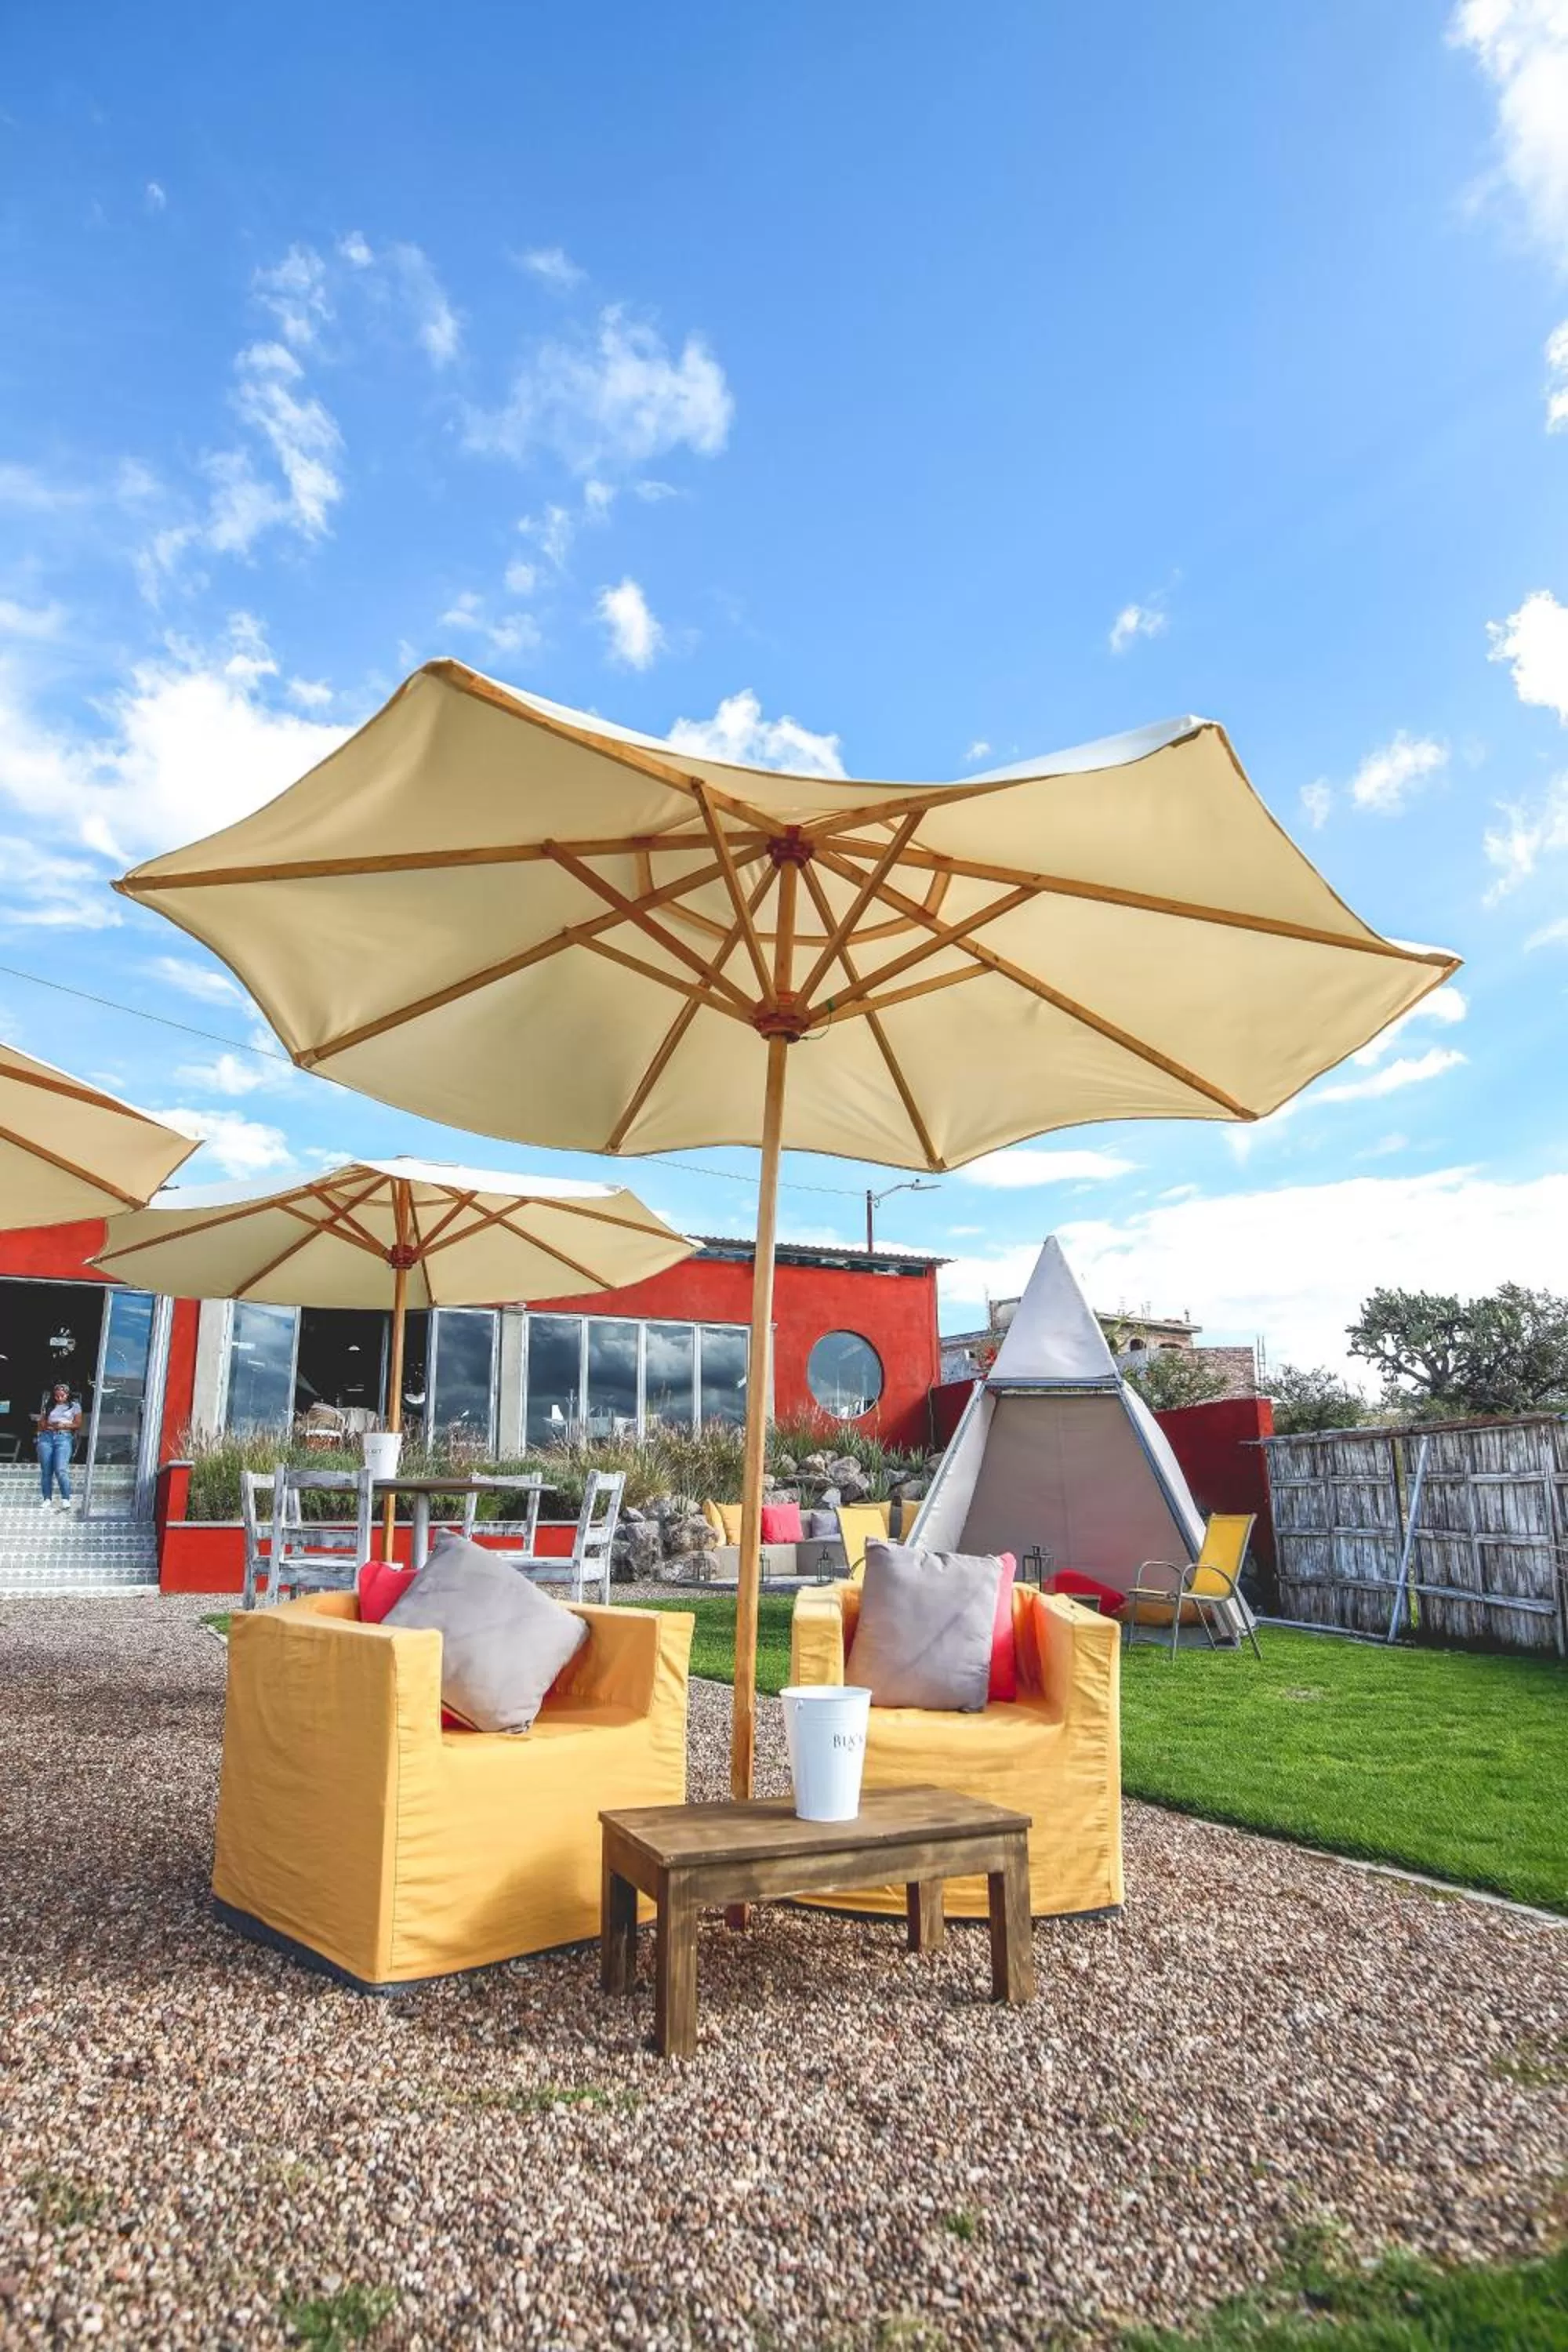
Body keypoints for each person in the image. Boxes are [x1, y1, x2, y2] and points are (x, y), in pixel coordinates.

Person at [35, 1381, 82, 1512]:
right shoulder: (49, 1405)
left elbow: (78, 1424)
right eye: (56, 1396)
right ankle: (47, 1499)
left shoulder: (74, 1406)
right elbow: (41, 1424)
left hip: (64, 1437)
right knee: (46, 1470)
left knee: (61, 1469)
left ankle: (65, 1499)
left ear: (67, 1395)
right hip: (47, 1437)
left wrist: (63, 1425)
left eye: (62, 1395)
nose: (59, 1398)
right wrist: (50, 1426)